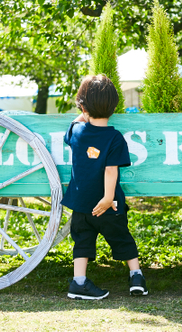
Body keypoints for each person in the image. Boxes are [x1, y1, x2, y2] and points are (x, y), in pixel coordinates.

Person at [62, 75, 147, 300]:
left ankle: (79, 282)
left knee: (82, 241)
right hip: (109, 205)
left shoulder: (77, 132)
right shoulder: (115, 138)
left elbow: (74, 124)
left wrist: (84, 110)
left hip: (81, 205)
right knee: (121, 237)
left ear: (83, 107)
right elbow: (111, 170)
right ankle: (136, 276)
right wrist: (108, 198)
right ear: (114, 107)